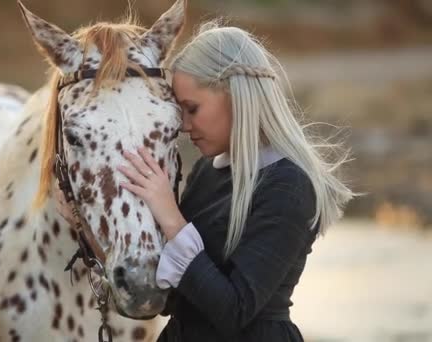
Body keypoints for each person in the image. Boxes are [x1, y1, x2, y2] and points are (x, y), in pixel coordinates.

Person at [57, 22, 354, 341]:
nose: (183, 126)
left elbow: (234, 311)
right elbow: (170, 299)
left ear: (236, 96)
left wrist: (170, 218)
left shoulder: (289, 185)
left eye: (191, 109)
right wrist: (87, 229)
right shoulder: (208, 170)